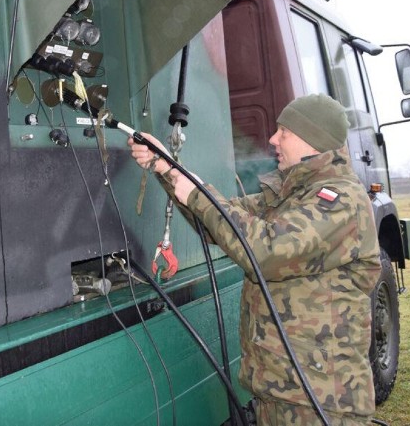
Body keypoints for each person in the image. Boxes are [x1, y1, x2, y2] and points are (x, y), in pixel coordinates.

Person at [128, 93, 380, 426]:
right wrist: (166, 168)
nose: (273, 139)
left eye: (283, 132)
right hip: (280, 393)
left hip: (320, 403)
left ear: (311, 140)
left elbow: (267, 251)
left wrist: (196, 193)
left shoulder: (340, 201)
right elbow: (220, 224)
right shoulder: (288, 197)